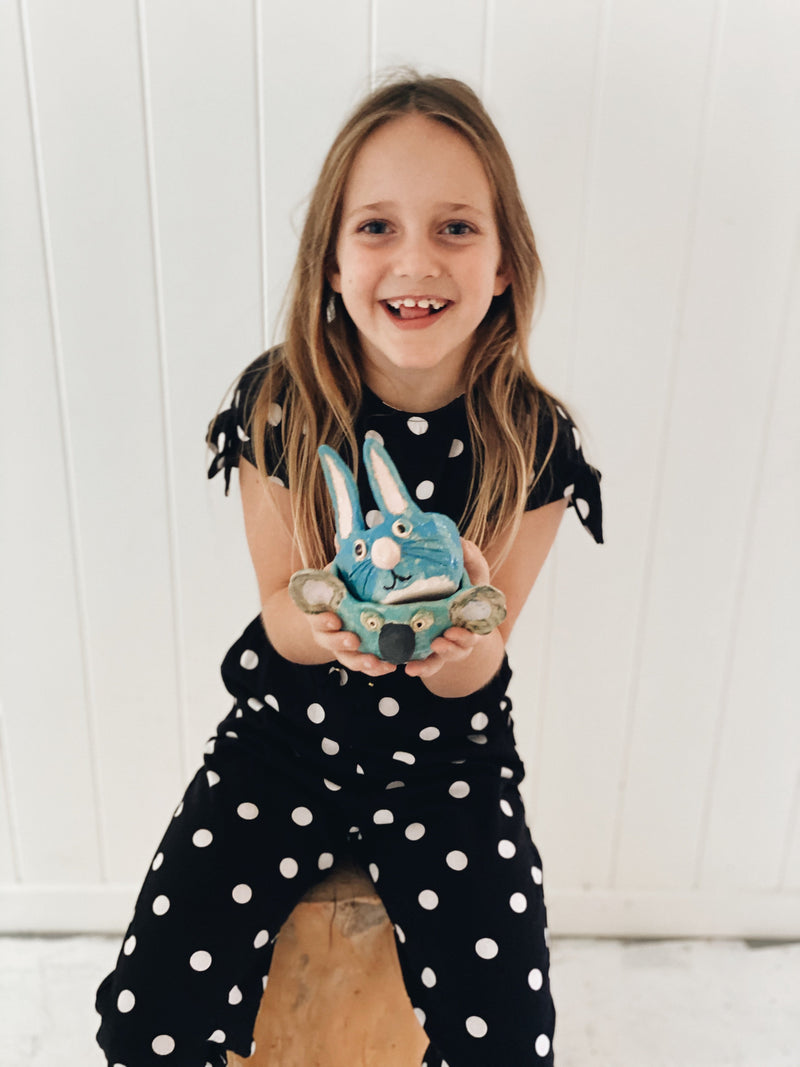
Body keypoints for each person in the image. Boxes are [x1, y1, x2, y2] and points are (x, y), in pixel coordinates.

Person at [96, 72, 602, 1066]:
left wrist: (463, 628)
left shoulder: (532, 443)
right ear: (329, 260)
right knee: (148, 1012)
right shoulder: (281, 405)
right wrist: (326, 616)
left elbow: (476, 673)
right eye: (376, 226)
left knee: (505, 1031)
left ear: (504, 264)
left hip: (447, 765)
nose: (415, 258)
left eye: (455, 226)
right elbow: (280, 615)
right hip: (282, 744)